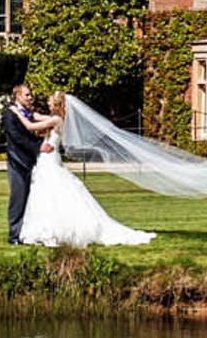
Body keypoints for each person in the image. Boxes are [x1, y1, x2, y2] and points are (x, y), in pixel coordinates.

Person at [17, 92, 156, 247]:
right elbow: (36, 117)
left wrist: (16, 113)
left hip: (49, 160)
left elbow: (31, 125)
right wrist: (26, 110)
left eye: (50, 103)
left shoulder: (56, 119)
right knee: (46, 193)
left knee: (51, 193)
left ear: (56, 105)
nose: (48, 105)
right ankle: (45, 230)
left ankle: (52, 230)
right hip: (47, 159)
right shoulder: (56, 119)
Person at [1, 82, 52, 245]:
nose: (31, 97)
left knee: (32, 199)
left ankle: (28, 233)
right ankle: (14, 234)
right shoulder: (10, 114)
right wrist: (39, 147)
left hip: (32, 161)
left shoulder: (28, 113)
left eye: (30, 94)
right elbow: (17, 138)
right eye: (27, 95)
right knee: (19, 197)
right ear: (17, 96)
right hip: (18, 161)